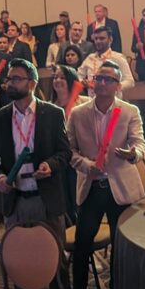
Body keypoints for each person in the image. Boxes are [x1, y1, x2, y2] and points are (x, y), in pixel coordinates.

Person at [0, 59, 71, 289]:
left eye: (16, 79)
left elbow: (65, 153)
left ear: (32, 83)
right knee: (18, 260)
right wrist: (0, 176)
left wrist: (50, 166)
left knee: (55, 261)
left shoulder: (52, 114)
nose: (9, 83)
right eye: (8, 79)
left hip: (46, 199)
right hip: (16, 200)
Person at [67, 60, 145, 289]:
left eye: (107, 79)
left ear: (117, 85)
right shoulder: (79, 113)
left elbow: (140, 142)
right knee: (81, 245)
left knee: (121, 245)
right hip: (91, 186)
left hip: (121, 186)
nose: (101, 83)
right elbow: (69, 150)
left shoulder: (128, 111)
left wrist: (133, 153)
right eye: (98, 78)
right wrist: (85, 164)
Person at [51, 63, 89, 224]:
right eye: (55, 77)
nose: (58, 80)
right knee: (64, 201)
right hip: (61, 160)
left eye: (62, 77)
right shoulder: (50, 106)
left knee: (79, 200)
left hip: (80, 158)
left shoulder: (85, 103)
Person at [79, 28, 134, 96]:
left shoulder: (118, 58)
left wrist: (114, 87)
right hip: (92, 101)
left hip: (113, 101)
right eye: (96, 39)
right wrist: (84, 82)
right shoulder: (90, 58)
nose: (98, 41)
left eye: (102, 38)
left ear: (110, 39)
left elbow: (130, 81)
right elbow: (78, 75)